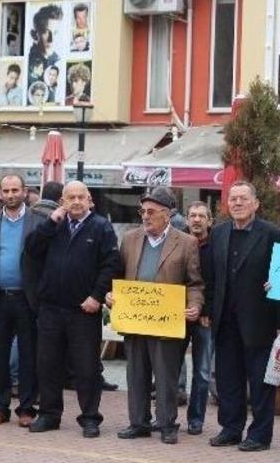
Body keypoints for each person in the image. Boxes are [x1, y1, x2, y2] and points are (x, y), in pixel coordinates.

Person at [107, 188, 203, 445]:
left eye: (151, 212)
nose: (145, 217)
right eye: (142, 211)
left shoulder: (186, 242)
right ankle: (138, 422)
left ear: (167, 214)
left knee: (166, 376)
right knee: (135, 374)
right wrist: (111, 295)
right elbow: (117, 277)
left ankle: (167, 424)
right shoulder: (129, 239)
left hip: (167, 322)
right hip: (135, 319)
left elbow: (195, 283)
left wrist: (194, 306)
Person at [25, 181, 120, 438]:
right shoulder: (53, 226)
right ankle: (48, 415)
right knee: (47, 365)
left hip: (84, 311)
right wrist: (50, 222)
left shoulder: (101, 227)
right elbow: (32, 250)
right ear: (62, 202)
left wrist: (96, 296)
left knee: (86, 368)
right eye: (71, 198)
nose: (76, 202)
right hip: (51, 309)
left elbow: (111, 265)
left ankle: (90, 418)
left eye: (81, 197)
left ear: (90, 200)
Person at [204, 180, 280, 452]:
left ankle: (260, 435)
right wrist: (208, 310)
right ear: (226, 204)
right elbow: (211, 278)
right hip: (225, 321)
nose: (238, 203)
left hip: (259, 320)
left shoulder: (273, 234)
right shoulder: (217, 233)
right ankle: (230, 429)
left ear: (255, 203)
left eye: (243, 199)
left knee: (260, 382)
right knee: (228, 380)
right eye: (233, 199)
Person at [0, 175, 45, 428]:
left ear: (25, 192)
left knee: (29, 354)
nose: (10, 194)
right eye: (6, 190)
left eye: (15, 190)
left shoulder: (39, 222)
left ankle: (27, 408)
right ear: (0, 194)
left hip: (27, 298)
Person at [180, 200, 215, 436]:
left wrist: (207, 311)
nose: (196, 220)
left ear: (209, 221)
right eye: (192, 215)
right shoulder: (177, 242)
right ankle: (166, 415)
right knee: (169, 369)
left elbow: (219, 284)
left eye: (201, 216)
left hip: (204, 319)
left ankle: (196, 418)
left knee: (202, 372)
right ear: (186, 219)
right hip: (177, 315)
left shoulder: (218, 245)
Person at [27, 4, 63, 76]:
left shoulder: (58, 61)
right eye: (46, 32)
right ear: (37, 34)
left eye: (55, 33)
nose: (51, 40)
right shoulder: (28, 61)